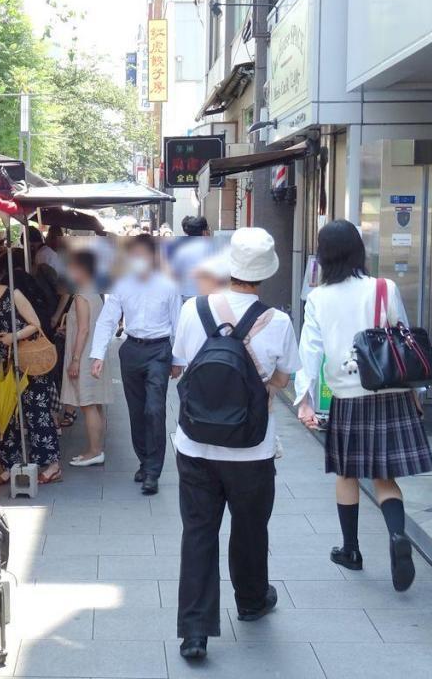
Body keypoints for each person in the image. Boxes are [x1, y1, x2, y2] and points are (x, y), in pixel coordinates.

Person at [170, 228, 299, 660]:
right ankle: (251, 600)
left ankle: (194, 632)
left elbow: (183, 367)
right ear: (265, 274)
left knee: (199, 531)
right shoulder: (278, 321)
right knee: (249, 528)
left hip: (194, 444)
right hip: (252, 448)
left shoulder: (193, 309)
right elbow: (283, 379)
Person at [294, 220, 432, 592]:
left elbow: (310, 351)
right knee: (385, 477)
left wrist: (304, 400)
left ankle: (351, 550)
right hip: (390, 392)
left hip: (348, 396)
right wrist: (415, 396)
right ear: (359, 251)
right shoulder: (384, 288)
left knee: (347, 475)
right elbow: (405, 345)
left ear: (323, 256)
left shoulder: (319, 298)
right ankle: (397, 535)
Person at [90, 234, 181, 494]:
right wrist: (97, 354)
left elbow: (178, 322)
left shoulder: (168, 284)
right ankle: (144, 460)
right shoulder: (122, 284)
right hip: (131, 350)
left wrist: (178, 358)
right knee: (136, 411)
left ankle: (153, 471)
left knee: (154, 409)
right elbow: (108, 320)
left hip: (159, 350)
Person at [0, 262, 62, 484]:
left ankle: (51, 464)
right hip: (5, 361)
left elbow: (35, 323)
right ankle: (10, 464)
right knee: (6, 412)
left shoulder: (13, 294)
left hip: (30, 359)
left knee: (37, 411)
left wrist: (13, 337)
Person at [61, 250, 110, 466]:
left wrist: (75, 359)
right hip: (95, 354)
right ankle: (96, 448)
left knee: (88, 404)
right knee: (95, 403)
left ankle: (94, 451)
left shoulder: (81, 296)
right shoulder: (95, 292)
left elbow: (83, 330)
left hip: (85, 356)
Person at [169, 216, 214, 300]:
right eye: (208, 229)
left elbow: (174, 275)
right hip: (208, 298)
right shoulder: (212, 248)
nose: (209, 232)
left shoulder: (181, 250)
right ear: (204, 232)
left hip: (186, 296)